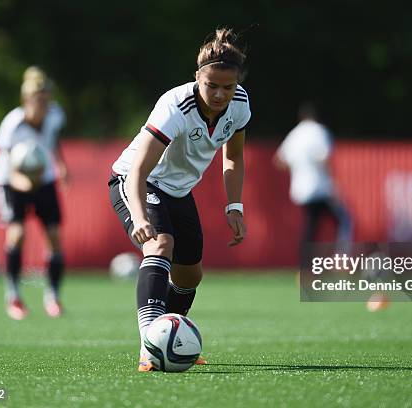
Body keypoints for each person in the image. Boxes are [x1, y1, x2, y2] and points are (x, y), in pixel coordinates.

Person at [108, 28, 250, 372]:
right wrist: (140, 216)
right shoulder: (175, 105)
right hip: (138, 181)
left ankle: (172, 340)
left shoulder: (240, 104)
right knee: (161, 244)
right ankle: (149, 345)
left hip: (178, 191)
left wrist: (234, 206)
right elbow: (140, 168)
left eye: (227, 87)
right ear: (197, 77)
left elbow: (232, 158)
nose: (219, 94)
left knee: (189, 277)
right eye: (211, 85)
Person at [0, 66, 69, 320]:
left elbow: (53, 138)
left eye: (47, 98)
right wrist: (20, 182)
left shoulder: (55, 115)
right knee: (18, 233)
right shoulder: (13, 123)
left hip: (43, 178)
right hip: (11, 180)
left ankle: (53, 296)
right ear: (27, 100)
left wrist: (60, 164)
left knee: (54, 236)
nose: (44, 104)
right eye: (38, 99)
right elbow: (6, 161)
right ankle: (14, 296)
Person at [274, 102, 352, 267]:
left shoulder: (294, 134)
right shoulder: (320, 132)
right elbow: (323, 158)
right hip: (321, 188)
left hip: (301, 190)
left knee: (311, 228)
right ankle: (341, 261)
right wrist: (332, 182)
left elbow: (279, 161)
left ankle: (305, 267)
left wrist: (298, 167)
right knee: (344, 220)